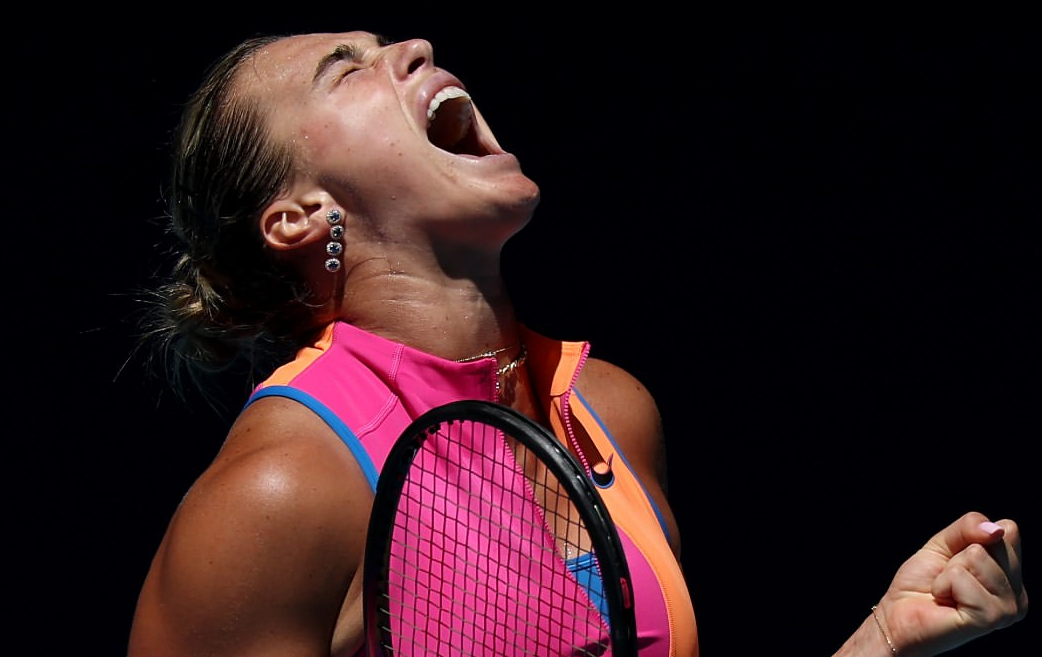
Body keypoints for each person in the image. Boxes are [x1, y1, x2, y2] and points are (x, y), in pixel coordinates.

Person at [126, 30, 1027, 657]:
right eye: (344, 68)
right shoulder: (282, 493)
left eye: (389, 42)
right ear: (299, 217)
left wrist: (879, 638)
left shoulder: (614, 410)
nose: (415, 50)